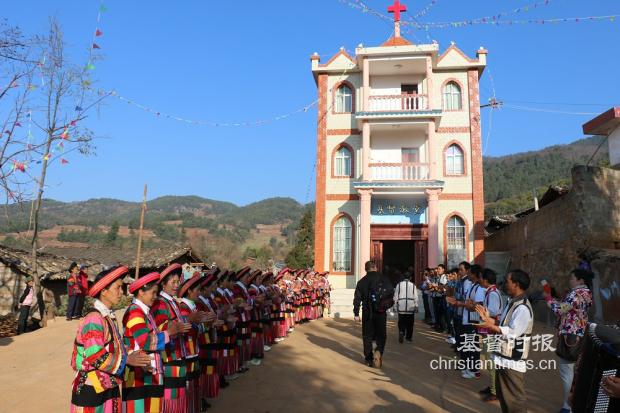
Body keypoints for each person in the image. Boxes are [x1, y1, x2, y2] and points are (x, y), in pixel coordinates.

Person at [70, 266, 151, 413]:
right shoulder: (94, 319)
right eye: (118, 288)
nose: (121, 292)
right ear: (103, 291)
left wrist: (134, 356)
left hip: (106, 384)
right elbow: (95, 355)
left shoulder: (107, 316)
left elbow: (114, 346)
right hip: (92, 389)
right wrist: (127, 359)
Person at [122, 271, 190, 413]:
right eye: (152, 293)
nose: (155, 297)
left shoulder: (144, 311)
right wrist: (169, 332)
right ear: (140, 292)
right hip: (140, 374)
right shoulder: (135, 312)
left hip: (147, 371)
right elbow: (145, 342)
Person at [475, 270, 534, 413]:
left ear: (516, 284)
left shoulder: (522, 307)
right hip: (503, 357)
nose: (505, 284)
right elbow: (503, 323)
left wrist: (491, 326)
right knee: (505, 396)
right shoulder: (512, 302)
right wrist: (488, 319)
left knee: (515, 398)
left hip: (512, 360)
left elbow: (513, 332)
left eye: (507, 281)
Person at [543, 269, 594, 413]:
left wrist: (548, 299)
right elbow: (570, 308)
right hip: (581, 335)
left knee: (567, 373)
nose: (570, 280)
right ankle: (574, 404)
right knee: (574, 371)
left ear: (580, 280)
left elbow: (560, 309)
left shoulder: (575, 294)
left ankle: (568, 406)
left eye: (573, 278)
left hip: (569, 336)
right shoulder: (587, 294)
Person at [151, 263, 193, 412]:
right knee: (172, 394)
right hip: (169, 357)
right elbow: (161, 327)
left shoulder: (172, 301)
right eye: (173, 282)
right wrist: (178, 325)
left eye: (178, 281)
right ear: (163, 283)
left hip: (177, 354)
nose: (176, 285)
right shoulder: (160, 303)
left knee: (179, 392)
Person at [353, 261, 394, 368]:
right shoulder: (383, 278)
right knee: (382, 335)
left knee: (367, 336)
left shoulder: (361, 282)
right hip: (380, 311)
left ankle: (368, 359)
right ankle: (379, 350)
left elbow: (357, 299)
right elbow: (391, 292)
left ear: (365, 269)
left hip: (367, 312)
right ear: (375, 267)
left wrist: (356, 313)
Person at [448, 264, 485, 379]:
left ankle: (474, 370)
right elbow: (468, 301)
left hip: (472, 321)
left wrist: (461, 304)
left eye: (469, 272)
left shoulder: (479, 288)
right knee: (467, 345)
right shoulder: (473, 286)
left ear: (474, 274)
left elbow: (477, 305)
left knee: (472, 346)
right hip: (466, 319)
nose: (466, 274)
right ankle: (469, 367)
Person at [478, 268, 503, 403]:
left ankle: (495, 391)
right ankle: (493, 387)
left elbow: (492, 311)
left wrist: (481, 309)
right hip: (490, 329)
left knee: (490, 360)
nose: (480, 280)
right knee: (489, 359)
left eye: (481, 277)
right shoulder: (491, 292)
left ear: (486, 280)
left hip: (492, 330)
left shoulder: (492, 294)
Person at [393, 272, 418, 343]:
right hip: (410, 306)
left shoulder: (399, 285)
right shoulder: (413, 285)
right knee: (410, 323)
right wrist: (416, 306)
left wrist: (395, 306)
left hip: (401, 306)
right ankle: (408, 338)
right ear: (410, 278)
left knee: (401, 321)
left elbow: (396, 296)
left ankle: (401, 331)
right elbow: (415, 296)